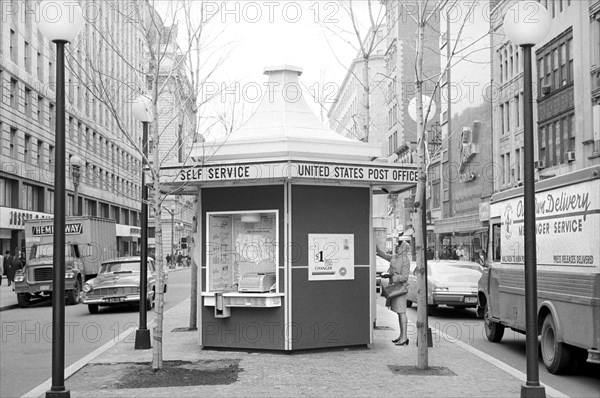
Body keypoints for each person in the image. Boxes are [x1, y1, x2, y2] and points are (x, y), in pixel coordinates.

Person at [376, 237, 411, 346]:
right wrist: (375, 244)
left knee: (401, 313)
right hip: (395, 288)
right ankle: (402, 336)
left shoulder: (405, 260)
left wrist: (392, 276)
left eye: (399, 246)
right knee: (399, 313)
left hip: (400, 289)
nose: (397, 247)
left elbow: (404, 277)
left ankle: (404, 338)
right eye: (397, 245)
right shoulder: (395, 257)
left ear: (404, 248)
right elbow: (383, 254)